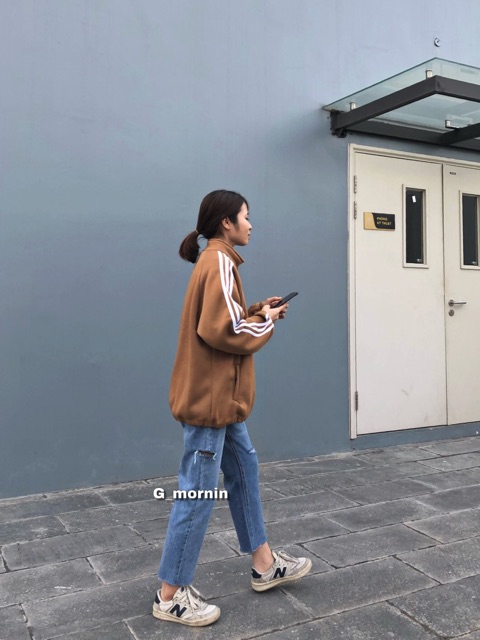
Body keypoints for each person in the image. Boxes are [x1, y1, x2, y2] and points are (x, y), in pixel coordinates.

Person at [153, 190, 311, 627]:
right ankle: (169, 595)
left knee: (245, 470)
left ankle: (264, 564)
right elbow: (223, 330)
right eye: (246, 216)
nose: (251, 224)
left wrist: (258, 309)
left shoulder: (217, 261)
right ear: (227, 222)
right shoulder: (219, 261)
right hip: (211, 402)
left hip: (222, 401)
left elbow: (223, 318)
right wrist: (265, 321)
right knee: (197, 493)